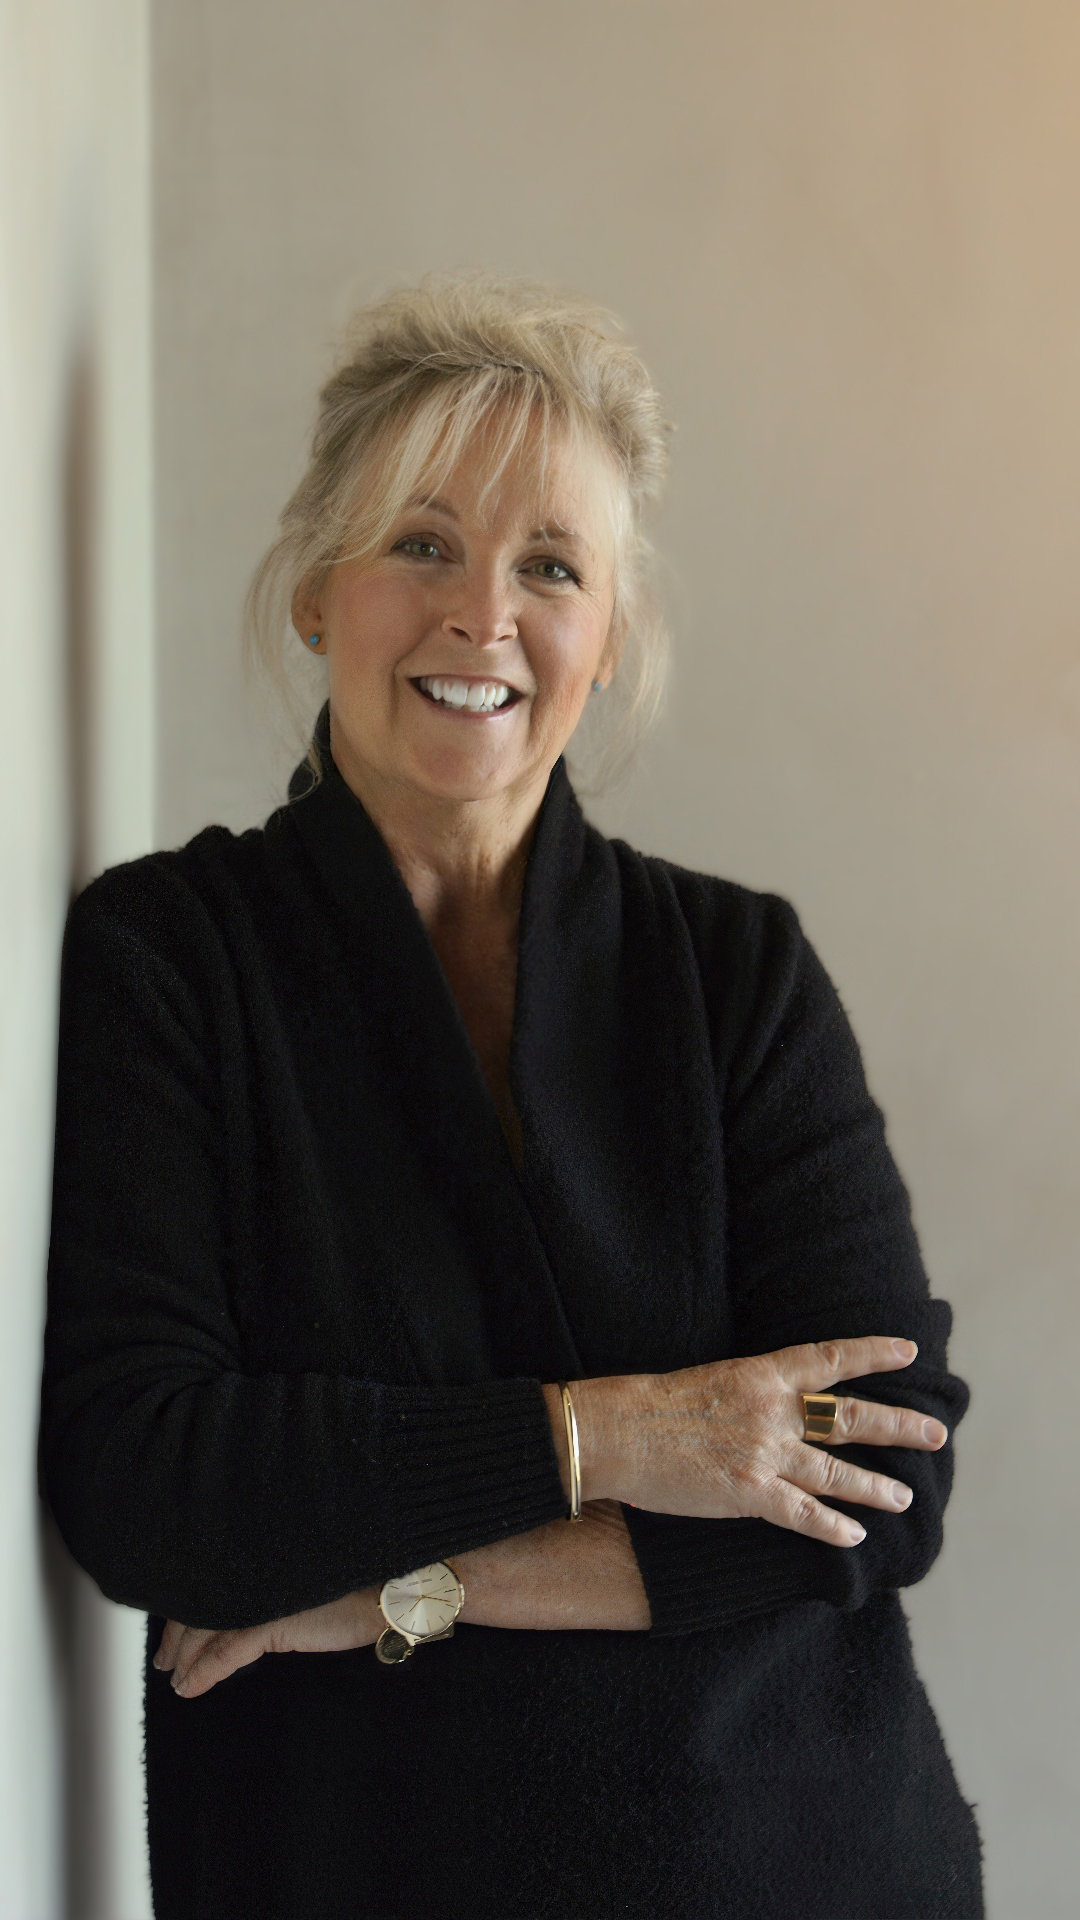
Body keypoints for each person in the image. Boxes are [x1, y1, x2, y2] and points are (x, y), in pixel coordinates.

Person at [41, 275, 983, 1919]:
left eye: (550, 565)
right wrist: (627, 1435)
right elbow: (155, 1480)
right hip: (349, 1871)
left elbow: (875, 1486)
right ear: (313, 596)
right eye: (422, 543)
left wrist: (387, 1589)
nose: (484, 615)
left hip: (806, 1866)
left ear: (606, 641)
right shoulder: (169, 958)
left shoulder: (735, 971)